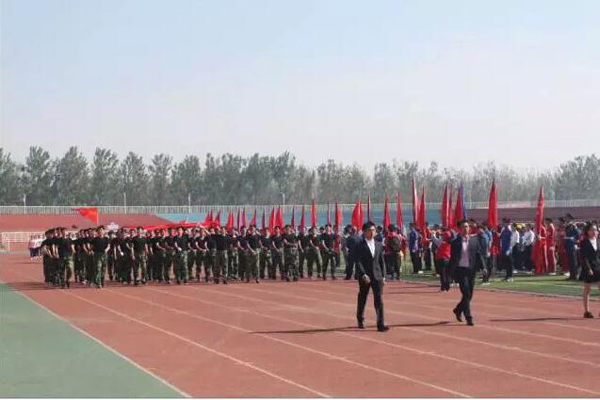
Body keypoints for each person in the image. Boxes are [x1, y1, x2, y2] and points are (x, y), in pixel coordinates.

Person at [449, 220, 488, 326]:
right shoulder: (455, 242)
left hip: (471, 270)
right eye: (463, 227)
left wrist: (483, 267)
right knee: (466, 293)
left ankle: (458, 309)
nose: (466, 229)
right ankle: (469, 317)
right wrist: (451, 273)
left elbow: (479, 254)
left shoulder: (474, 240)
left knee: (469, 295)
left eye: (467, 227)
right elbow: (453, 259)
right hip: (460, 270)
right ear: (459, 229)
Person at [355, 221, 388, 332]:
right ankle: (360, 319)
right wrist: (363, 274)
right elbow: (358, 261)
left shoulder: (378, 244)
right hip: (365, 277)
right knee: (363, 298)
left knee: (379, 300)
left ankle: (380, 324)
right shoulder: (360, 245)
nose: (373, 232)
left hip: (377, 276)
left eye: (373, 230)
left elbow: (381, 261)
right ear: (364, 232)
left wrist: (384, 276)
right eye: (370, 230)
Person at [579, 223, 600, 318]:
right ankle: (587, 311)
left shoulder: (598, 241)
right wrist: (589, 268)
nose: (594, 231)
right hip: (588, 267)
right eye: (592, 230)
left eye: (595, 229)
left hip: (598, 266)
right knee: (587, 289)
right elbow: (584, 257)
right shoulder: (584, 242)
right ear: (587, 231)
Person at [434, 226, 452, 291]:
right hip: (448, 258)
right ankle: (447, 286)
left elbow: (436, 242)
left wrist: (433, 235)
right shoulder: (449, 243)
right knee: (447, 273)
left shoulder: (443, 243)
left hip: (442, 258)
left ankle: (443, 287)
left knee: (442, 274)